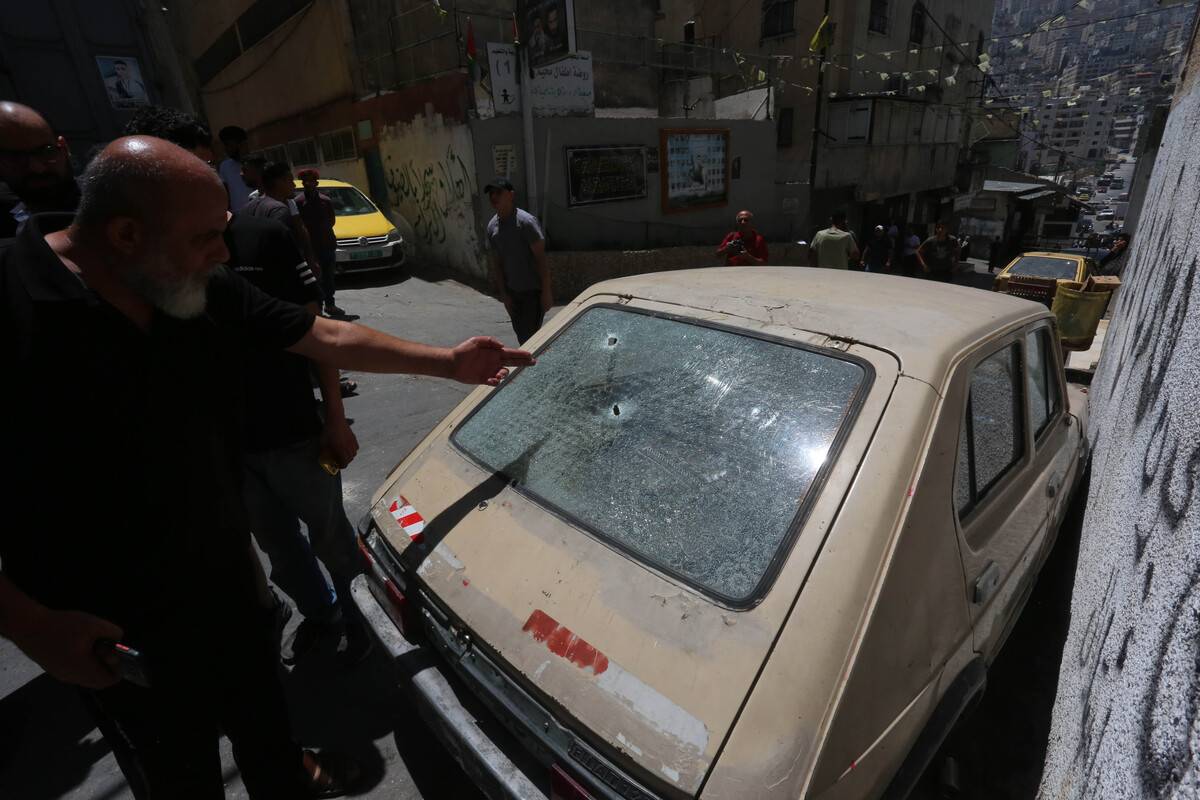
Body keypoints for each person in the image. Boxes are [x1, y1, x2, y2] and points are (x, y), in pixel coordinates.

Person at [0, 135, 534, 798]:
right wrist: (30, 626)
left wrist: (449, 363)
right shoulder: (11, 303)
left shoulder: (190, 281)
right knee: (179, 772)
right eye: (205, 240)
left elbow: (322, 335)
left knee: (266, 732)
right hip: (112, 633)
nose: (223, 255)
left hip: (229, 590)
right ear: (127, 234)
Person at [484, 177, 552, 344]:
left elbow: (541, 260)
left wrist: (546, 292)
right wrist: (504, 295)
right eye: (491, 193)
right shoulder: (492, 227)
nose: (494, 196)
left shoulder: (526, 223)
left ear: (511, 195)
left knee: (530, 340)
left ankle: (533, 368)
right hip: (513, 294)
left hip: (532, 293)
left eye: (498, 192)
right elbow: (497, 265)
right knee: (524, 338)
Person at [0, 101, 80, 239]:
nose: (37, 168)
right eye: (16, 158)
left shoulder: (107, 203)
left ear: (64, 147)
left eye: (46, 151)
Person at [244, 160, 324, 293]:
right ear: (279, 182)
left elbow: (301, 229)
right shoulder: (278, 210)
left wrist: (310, 259)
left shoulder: (288, 203)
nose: (293, 185)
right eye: (290, 180)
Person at [296, 167, 343, 317]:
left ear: (316, 183)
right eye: (305, 181)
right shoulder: (298, 202)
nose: (308, 184)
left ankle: (330, 305)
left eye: (311, 181)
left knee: (329, 277)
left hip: (327, 245)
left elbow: (332, 221)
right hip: (311, 249)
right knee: (314, 279)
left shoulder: (325, 201)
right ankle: (318, 308)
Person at [218, 125, 253, 212]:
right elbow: (225, 192)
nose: (226, 149)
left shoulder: (254, 163)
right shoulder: (224, 166)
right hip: (238, 216)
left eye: (228, 145)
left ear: (240, 144)